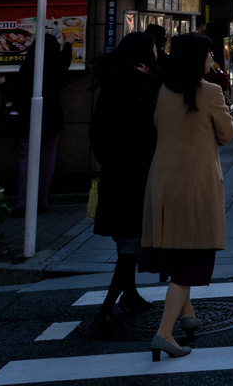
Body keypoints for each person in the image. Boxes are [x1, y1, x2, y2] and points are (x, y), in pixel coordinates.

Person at [141, 32, 233, 361]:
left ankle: (187, 315)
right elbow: (227, 133)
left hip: (163, 180)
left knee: (177, 249)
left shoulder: (163, 89)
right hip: (195, 184)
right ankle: (163, 334)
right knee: (190, 262)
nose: (213, 57)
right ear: (198, 58)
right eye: (210, 53)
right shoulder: (209, 91)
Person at [87, 30, 159, 329]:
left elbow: (96, 132)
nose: (158, 53)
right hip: (140, 172)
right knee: (133, 240)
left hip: (115, 171)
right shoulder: (148, 85)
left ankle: (130, 294)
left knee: (124, 238)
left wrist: (110, 160)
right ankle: (106, 307)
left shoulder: (112, 82)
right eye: (155, 48)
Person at [0, 31, 71, 211]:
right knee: (47, 161)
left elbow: (16, 93)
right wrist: (68, 44)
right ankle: (41, 202)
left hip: (27, 120)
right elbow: (65, 60)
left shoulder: (30, 67)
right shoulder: (57, 67)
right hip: (52, 121)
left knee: (27, 161)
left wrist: (3, 84)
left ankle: (24, 203)